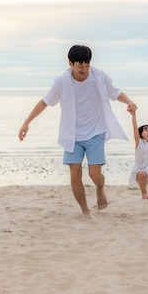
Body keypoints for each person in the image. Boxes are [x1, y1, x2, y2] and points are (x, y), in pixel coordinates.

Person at [18, 45, 137, 218]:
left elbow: (116, 92)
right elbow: (45, 102)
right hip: (72, 135)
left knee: (94, 174)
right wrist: (27, 122)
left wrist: (129, 102)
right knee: (75, 175)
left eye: (87, 64)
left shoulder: (99, 76)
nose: (84, 69)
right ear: (70, 63)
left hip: (96, 131)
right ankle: (85, 211)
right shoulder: (61, 81)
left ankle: (100, 187)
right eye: (80, 65)